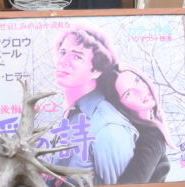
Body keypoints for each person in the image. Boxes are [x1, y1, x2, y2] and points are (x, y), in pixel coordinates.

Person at [54, 26, 137, 184]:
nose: (63, 62)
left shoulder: (108, 126)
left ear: (97, 70)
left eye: (77, 57)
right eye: (63, 53)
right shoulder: (69, 112)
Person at [100, 64, 176, 183]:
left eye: (137, 80)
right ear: (120, 105)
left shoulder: (138, 132)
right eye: (128, 93)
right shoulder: (150, 137)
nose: (140, 91)